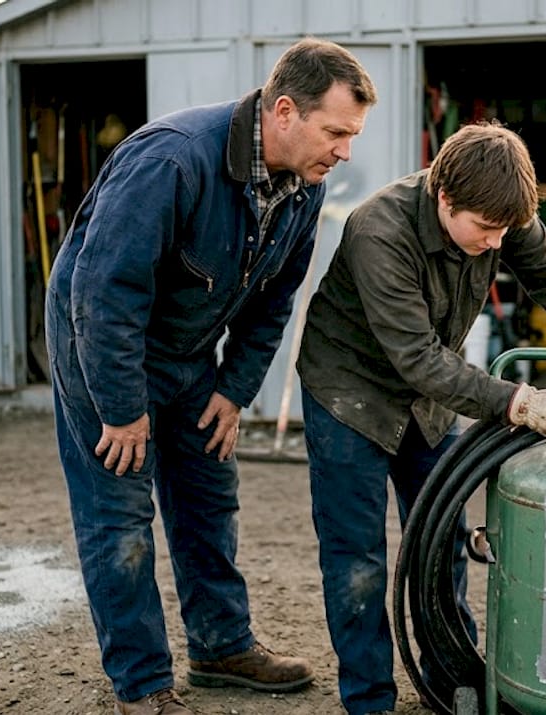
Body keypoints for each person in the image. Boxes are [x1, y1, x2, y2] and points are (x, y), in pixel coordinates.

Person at [44, 38, 377, 715]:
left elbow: (276, 298)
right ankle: (142, 686)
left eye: (351, 136)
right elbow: (103, 291)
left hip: (186, 352)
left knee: (207, 486)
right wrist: (120, 406)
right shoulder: (171, 160)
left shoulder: (303, 186)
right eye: (336, 131)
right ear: (285, 111)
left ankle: (220, 643)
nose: (345, 151)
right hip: (101, 344)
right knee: (120, 512)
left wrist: (233, 389)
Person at [296, 121, 546, 715]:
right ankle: (369, 700)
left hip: (430, 395)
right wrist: (522, 403)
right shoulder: (378, 230)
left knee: (443, 540)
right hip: (350, 394)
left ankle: (448, 680)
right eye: (484, 231)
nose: (495, 243)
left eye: (504, 231)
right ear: (443, 196)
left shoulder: (498, 209)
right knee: (357, 559)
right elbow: (416, 357)